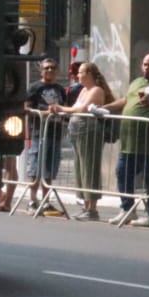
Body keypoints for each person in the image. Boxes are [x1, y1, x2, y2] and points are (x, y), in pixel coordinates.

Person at [101, 52, 149, 226]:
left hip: (148, 141)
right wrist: (104, 108)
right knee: (122, 173)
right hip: (129, 141)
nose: (148, 67)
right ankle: (127, 210)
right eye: (145, 64)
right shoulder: (136, 82)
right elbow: (125, 100)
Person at [50, 61, 114, 220]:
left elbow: (82, 109)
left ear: (90, 74)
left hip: (89, 132)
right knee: (80, 168)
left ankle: (92, 209)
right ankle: (85, 206)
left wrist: (61, 108)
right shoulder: (84, 90)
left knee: (89, 168)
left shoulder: (96, 90)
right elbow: (76, 108)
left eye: (81, 72)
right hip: (77, 132)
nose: (78, 75)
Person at [20, 58, 67, 212]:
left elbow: (64, 107)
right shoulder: (34, 87)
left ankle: (46, 201)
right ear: (41, 70)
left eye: (53, 68)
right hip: (38, 132)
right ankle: (32, 201)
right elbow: (26, 108)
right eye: (47, 68)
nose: (50, 71)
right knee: (35, 168)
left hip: (56, 133)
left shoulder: (60, 89)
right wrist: (45, 113)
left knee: (50, 168)